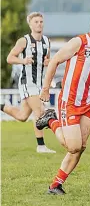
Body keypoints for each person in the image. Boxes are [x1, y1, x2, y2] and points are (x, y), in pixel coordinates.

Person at [35, 9, 90, 195]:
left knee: (81, 147)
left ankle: (56, 185)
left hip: (87, 102)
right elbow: (54, 61)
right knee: (73, 146)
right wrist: (46, 88)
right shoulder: (79, 42)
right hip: (69, 101)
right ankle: (52, 120)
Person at [1, 12, 56, 153]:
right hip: (27, 82)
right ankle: (41, 146)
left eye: (41, 21)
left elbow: (47, 60)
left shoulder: (46, 41)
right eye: (36, 21)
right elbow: (9, 58)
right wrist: (23, 60)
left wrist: (47, 63)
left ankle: (1, 106)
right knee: (39, 111)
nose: (39, 24)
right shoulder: (24, 41)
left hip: (39, 82)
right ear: (30, 24)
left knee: (22, 116)